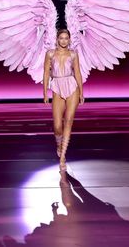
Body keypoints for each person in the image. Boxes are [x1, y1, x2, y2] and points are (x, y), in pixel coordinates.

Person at [43, 29, 84, 172]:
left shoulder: (73, 54)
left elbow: (77, 72)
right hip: (57, 86)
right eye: (61, 38)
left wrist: (81, 92)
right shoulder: (50, 54)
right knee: (57, 125)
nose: (64, 40)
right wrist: (44, 93)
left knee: (69, 120)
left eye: (66, 38)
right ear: (57, 39)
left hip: (72, 86)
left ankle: (63, 157)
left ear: (69, 40)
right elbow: (46, 73)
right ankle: (59, 144)